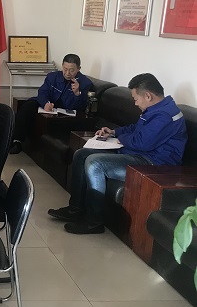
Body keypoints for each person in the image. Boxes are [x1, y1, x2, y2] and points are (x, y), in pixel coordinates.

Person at [48, 73, 187, 234]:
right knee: (81, 154)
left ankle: (94, 221)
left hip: (154, 164)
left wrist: (120, 139)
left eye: (136, 99)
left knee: (95, 164)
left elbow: (141, 143)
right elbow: (136, 129)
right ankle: (75, 209)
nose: (135, 103)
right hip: (141, 154)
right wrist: (114, 132)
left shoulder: (165, 115)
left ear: (148, 96)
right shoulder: (157, 109)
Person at [9, 53, 93, 154]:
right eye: (65, 69)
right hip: (48, 104)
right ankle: (16, 141)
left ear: (79, 69)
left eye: (72, 70)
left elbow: (81, 107)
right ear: (62, 65)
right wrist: (45, 103)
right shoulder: (53, 76)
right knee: (27, 106)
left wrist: (77, 94)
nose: (67, 73)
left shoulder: (85, 83)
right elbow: (42, 92)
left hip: (65, 111)